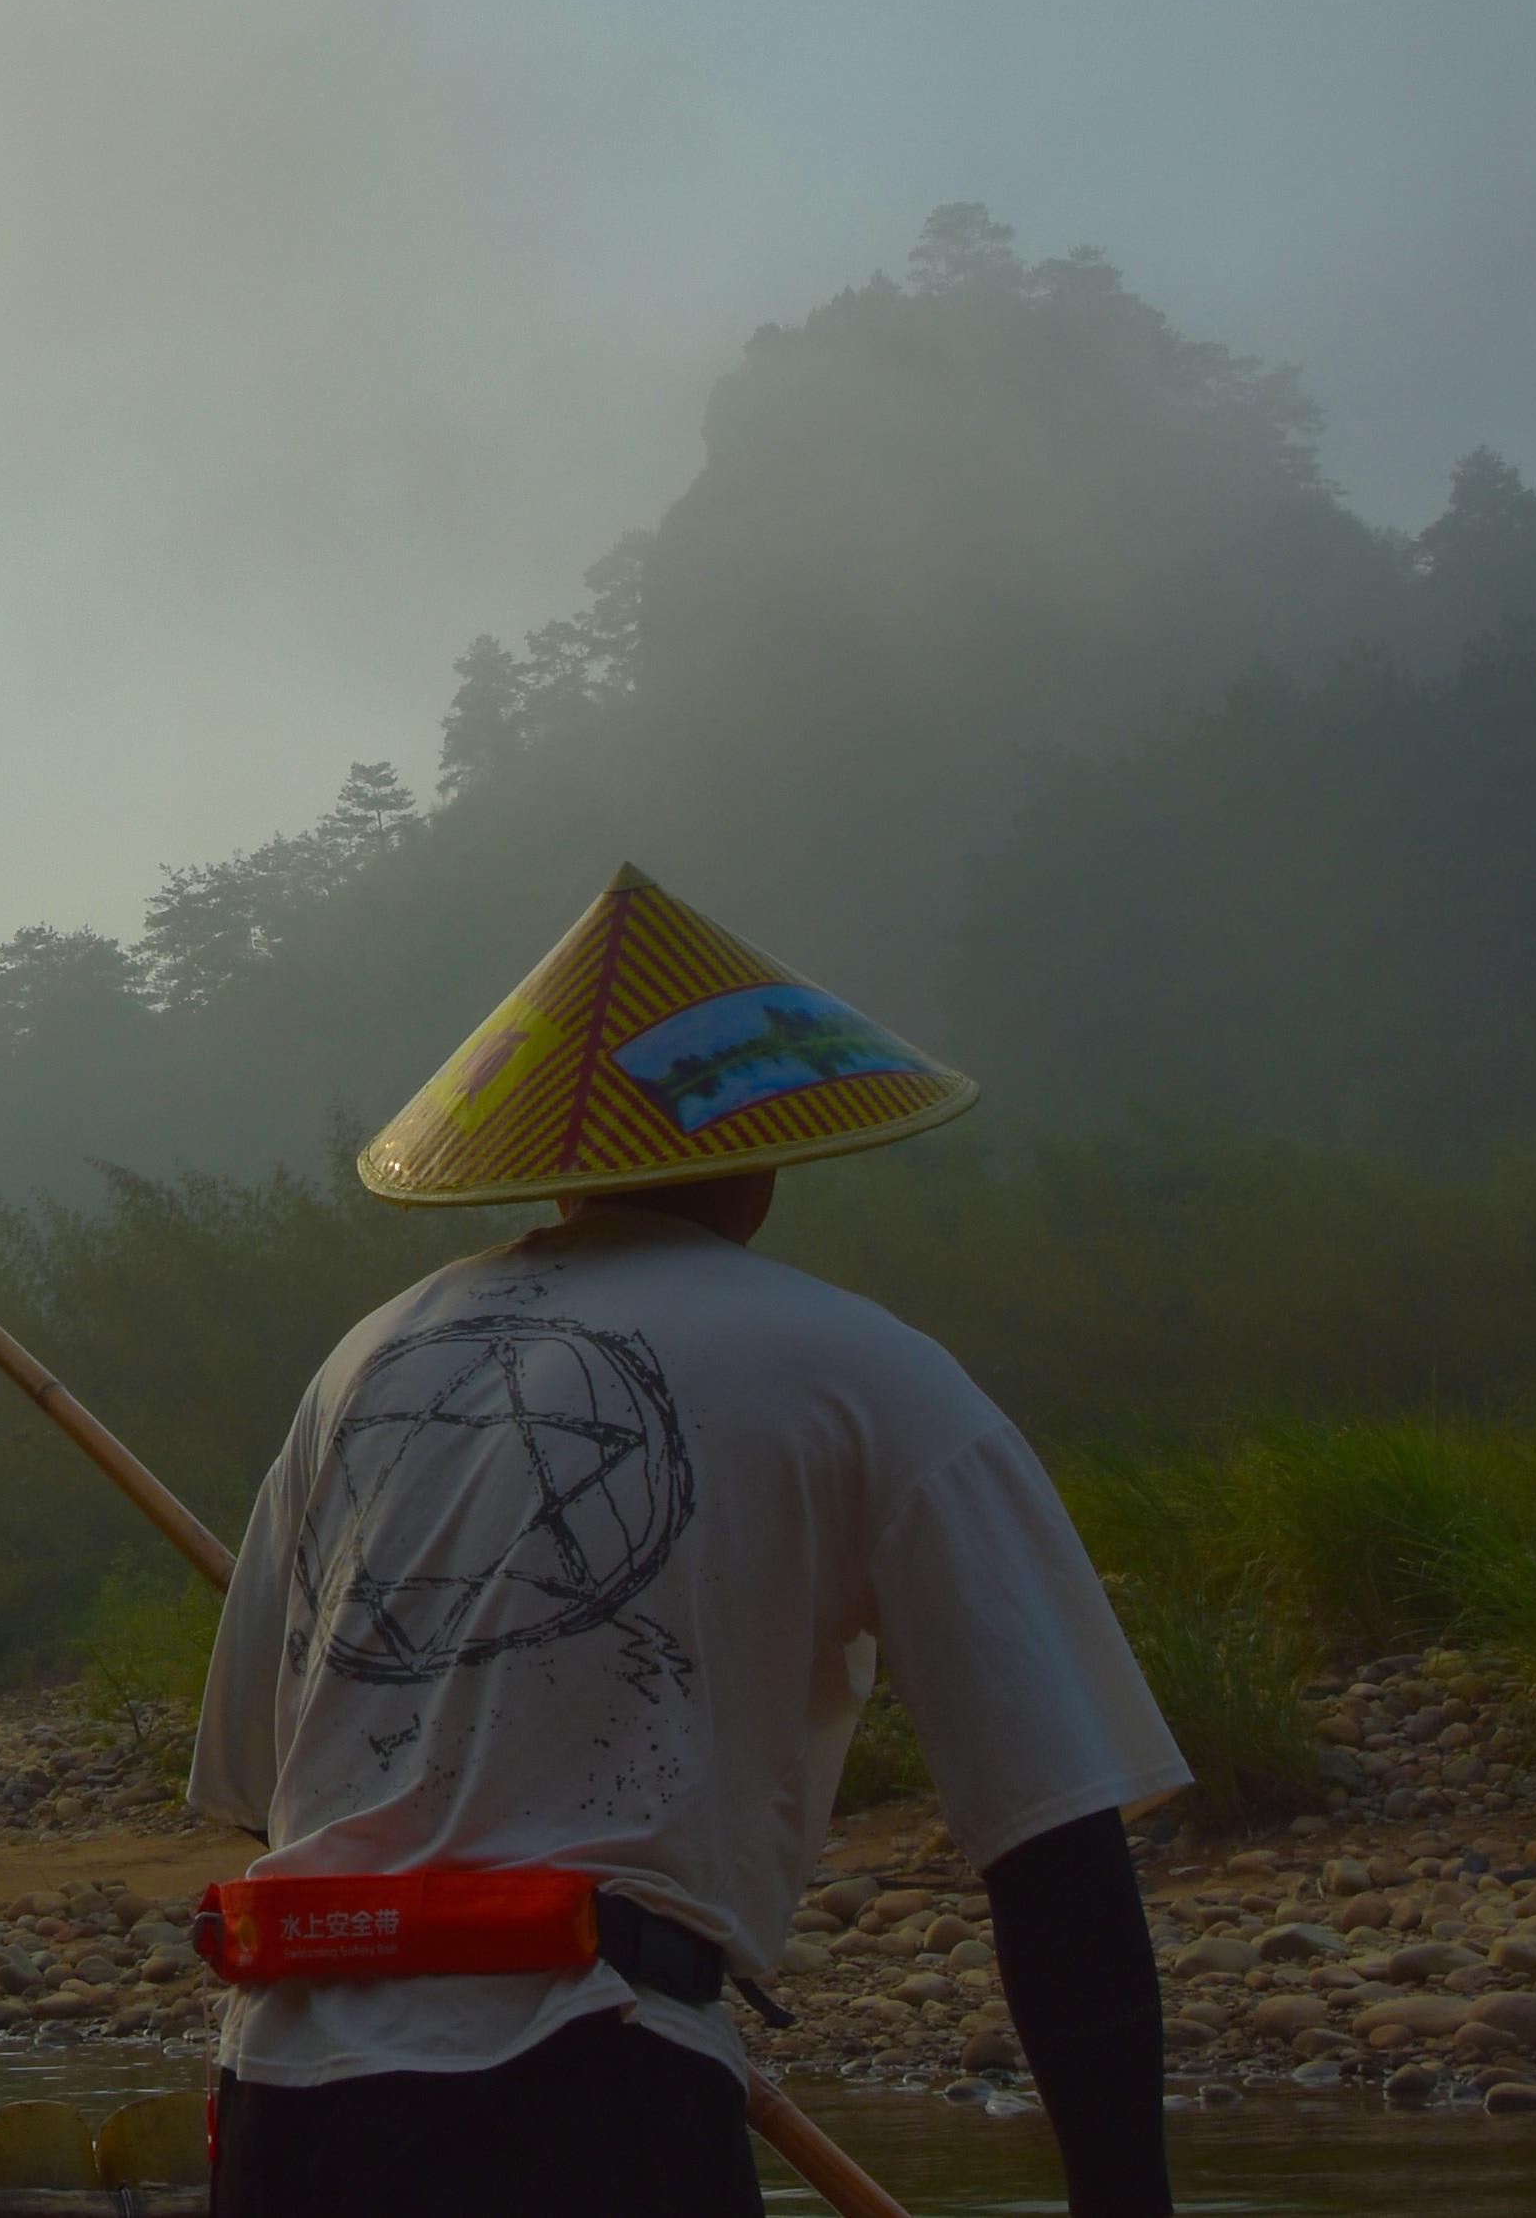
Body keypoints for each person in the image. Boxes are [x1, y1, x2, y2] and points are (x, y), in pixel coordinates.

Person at [187, 864, 1185, 2218]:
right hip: (584, 2094)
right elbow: (1054, 1842)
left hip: (284, 2105)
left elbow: (260, 1784)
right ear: (765, 1143)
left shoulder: (365, 1363)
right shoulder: (862, 1368)